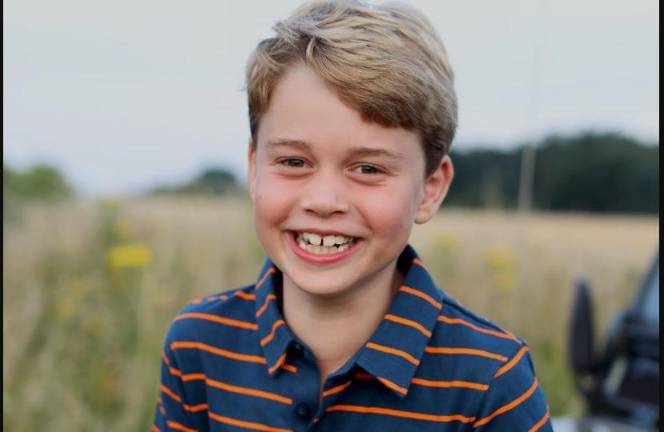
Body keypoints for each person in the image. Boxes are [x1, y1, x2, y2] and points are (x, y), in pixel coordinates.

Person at [153, 1, 553, 430]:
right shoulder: (198, 345)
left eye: (368, 169)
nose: (324, 200)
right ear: (254, 169)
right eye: (293, 162)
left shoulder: (491, 382)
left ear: (430, 188)